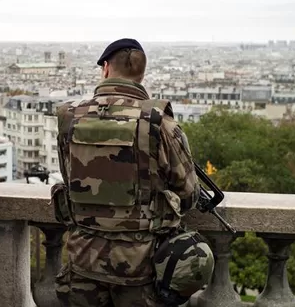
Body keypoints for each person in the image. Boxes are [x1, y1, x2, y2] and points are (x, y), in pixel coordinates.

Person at [51, 38, 214, 307]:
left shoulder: (70, 117)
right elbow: (188, 194)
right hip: (141, 266)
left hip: (82, 260)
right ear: (142, 74)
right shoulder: (158, 121)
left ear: (105, 68)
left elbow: (68, 178)